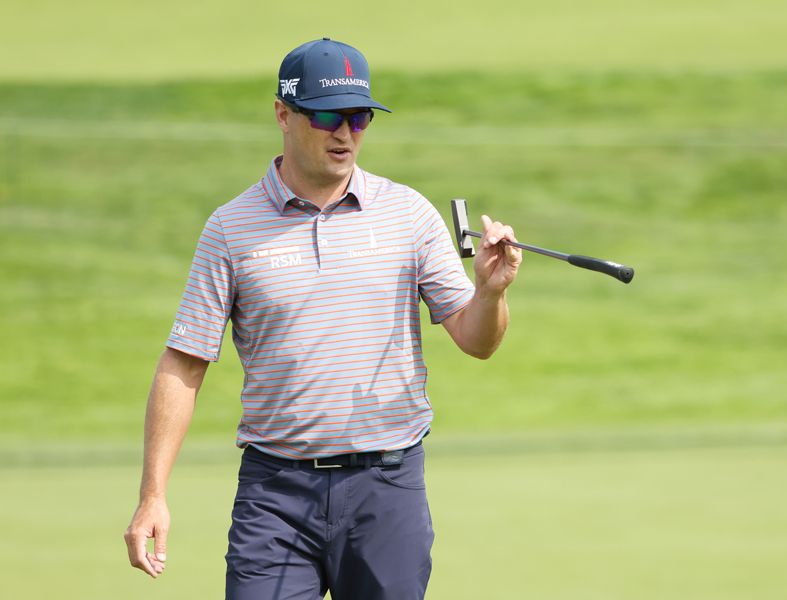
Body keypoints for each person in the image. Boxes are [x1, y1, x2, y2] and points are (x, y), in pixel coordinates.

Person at [124, 37, 522, 599]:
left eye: (359, 118)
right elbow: (184, 364)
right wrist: (152, 495)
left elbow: (477, 341)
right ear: (284, 115)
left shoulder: (408, 213)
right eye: (327, 115)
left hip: (387, 488)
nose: (345, 133)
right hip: (277, 494)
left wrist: (491, 293)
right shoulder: (230, 229)